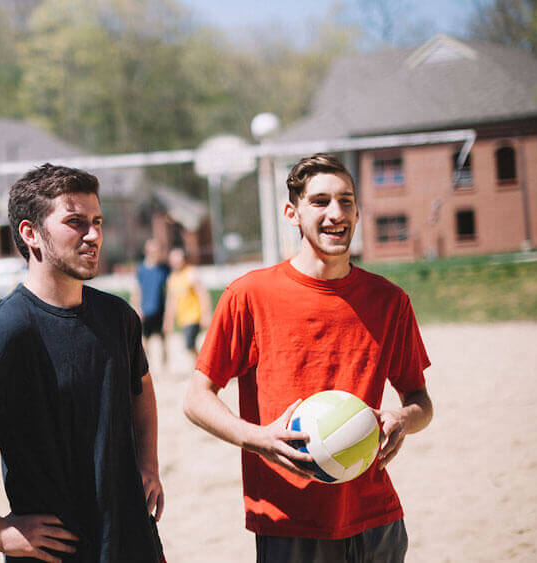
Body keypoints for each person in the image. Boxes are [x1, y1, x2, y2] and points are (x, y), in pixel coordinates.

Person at [0, 164, 165, 563]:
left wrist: (148, 462)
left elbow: (139, 391)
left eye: (97, 221)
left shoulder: (117, 317)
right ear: (31, 233)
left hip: (134, 544)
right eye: (75, 222)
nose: (93, 235)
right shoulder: (6, 333)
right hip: (59, 554)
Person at [183, 153, 434, 562]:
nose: (336, 213)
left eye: (346, 200)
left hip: (377, 520)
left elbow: (420, 402)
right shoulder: (249, 295)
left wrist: (403, 419)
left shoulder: (390, 301)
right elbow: (196, 399)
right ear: (292, 212)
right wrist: (259, 438)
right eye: (319, 201)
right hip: (289, 522)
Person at [163, 246, 210, 356]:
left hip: (194, 316)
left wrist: (206, 314)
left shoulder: (190, 273)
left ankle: (200, 367)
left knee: (189, 344)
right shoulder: (172, 278)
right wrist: (168, 320)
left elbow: (202, 294)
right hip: (182, 318)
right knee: (189, 345)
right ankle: (199, 365)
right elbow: (171, 301)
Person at [132, 239, 170, 367]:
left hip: (160, 308)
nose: (155, 253)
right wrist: (136, 308)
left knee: (163, 340)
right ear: (146, 252)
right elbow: (137, 290)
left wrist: (168, 314)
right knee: (144, 340)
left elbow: (169, 290)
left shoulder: (164, 269)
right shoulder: (141, 269)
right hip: (145, 309)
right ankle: (147, 367)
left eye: (157, 250)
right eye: (152, 250)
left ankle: (164, 366)